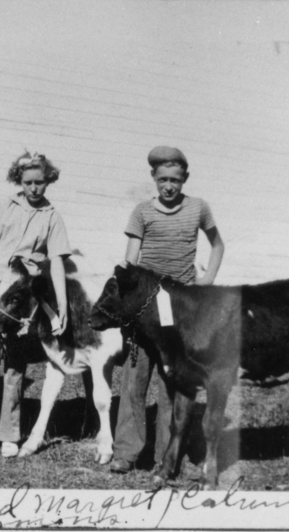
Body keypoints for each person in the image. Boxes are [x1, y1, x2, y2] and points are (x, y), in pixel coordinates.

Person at [109, 145, 225, 473]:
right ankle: (126, 452)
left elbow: (217, 244)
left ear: (185, 178)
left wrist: (207, 281)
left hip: (180, 305)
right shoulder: (142, 212)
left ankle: (167, 453)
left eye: (175, 179)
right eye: (163, 179)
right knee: (136, 375)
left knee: (172, 378)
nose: (169, 186)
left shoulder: (198, 208)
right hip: (147, 303)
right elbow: (130, 260)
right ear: (153, 178)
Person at [0, 152, 71, 458]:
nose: (34, 188)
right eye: (28, 183)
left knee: (14, 366)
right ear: (18, 181)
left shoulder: (52, 216)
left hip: (22, 298)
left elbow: (59, 262)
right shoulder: (4, 207)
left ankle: (9, 435)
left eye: (40, 182)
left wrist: (61, 304)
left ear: (48, 181)